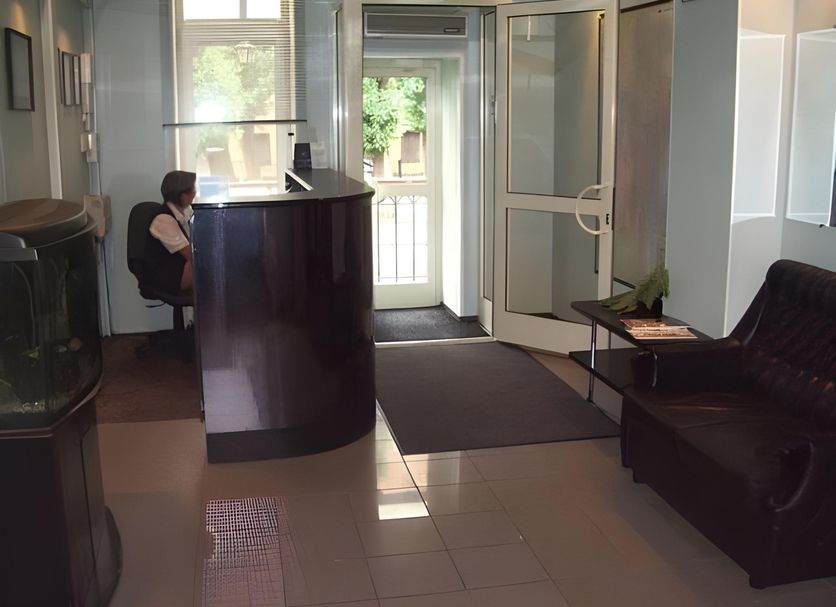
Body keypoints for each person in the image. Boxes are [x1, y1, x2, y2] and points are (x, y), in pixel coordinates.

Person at [147, 170, 197, 294]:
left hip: (178, 270)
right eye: (193, 189)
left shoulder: (182, 214)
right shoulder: (164, 220)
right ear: (183, 195)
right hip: (169, 277)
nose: (195, 192)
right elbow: (191, 255)